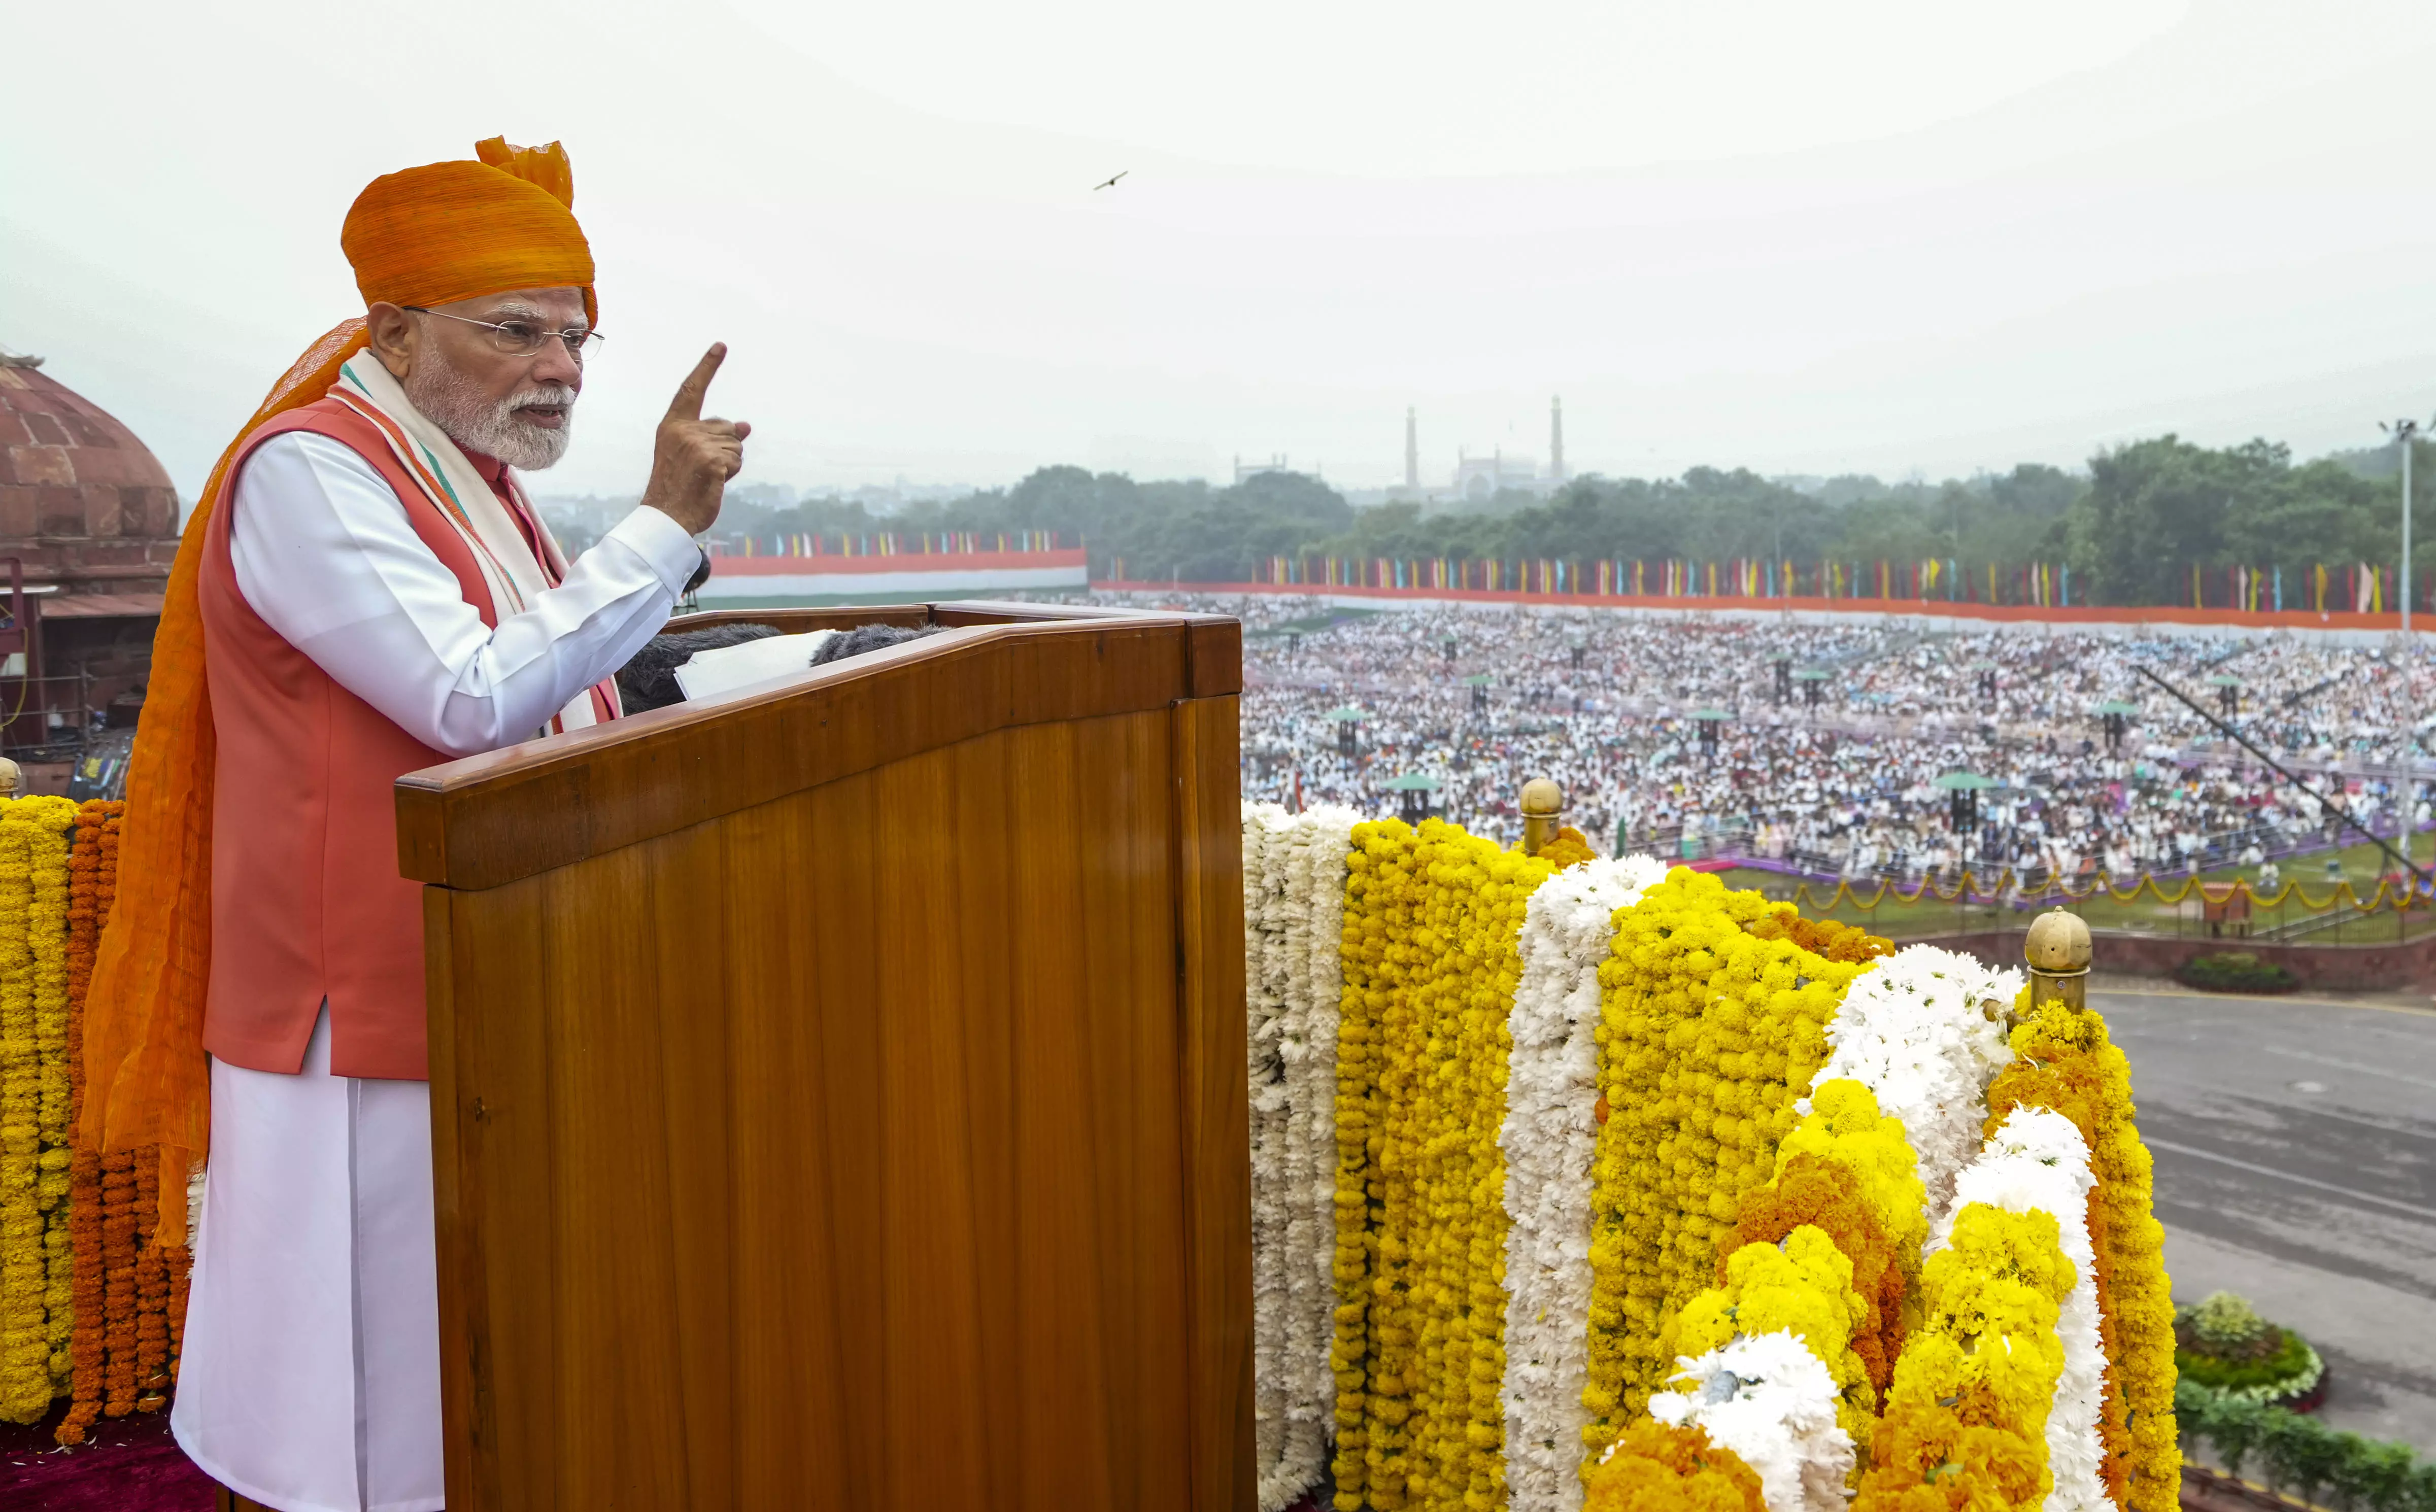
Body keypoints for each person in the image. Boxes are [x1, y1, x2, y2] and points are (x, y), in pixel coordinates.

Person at [80, 138, 747, 1512]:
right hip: (355, 1007)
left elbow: (567, 693)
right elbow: (468, 696)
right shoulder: (313, 476)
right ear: (392, 329)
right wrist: (663, 528)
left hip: (488, 972)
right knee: (354, 1412)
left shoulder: (467, 480)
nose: (559, 366)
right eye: (518, 331)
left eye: (575, 335)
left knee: (453, 1386)